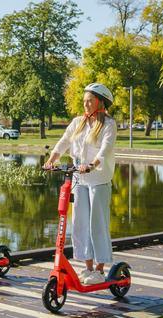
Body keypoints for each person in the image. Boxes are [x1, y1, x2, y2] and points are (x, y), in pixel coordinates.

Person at [43, 83, 117, 284]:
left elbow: (105, 149)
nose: (86, 104)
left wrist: (93, 164)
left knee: (97, 224)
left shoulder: (108, 124)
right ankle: (88, 267)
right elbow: (64, 141)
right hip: (79, 179)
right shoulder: (78, 122)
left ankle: (100, 270)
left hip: (98, 180)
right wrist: (52, 159)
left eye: (90, 101)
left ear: (100, 102)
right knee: (80, 223)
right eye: (84, 101)